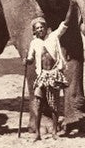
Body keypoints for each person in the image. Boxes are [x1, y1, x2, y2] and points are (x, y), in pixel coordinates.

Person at [25, 11, 71, 140]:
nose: (40, 30)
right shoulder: (34, 43)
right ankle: (38, 134)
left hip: (53, 74)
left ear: (46, 28)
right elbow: (30, 58)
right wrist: (26, 61)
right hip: (42, 75)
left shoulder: (53, 37)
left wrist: (71, 7)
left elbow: (65, 24)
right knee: (38, 102)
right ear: (34, 31)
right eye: (37, 28)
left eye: (42, 27)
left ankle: (55, 132)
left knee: (54, 104)